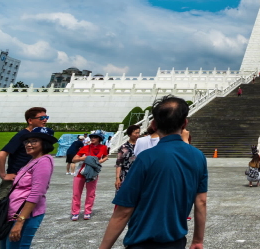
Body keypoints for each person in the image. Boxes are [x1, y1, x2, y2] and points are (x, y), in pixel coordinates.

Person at [99, 96, 207, 249]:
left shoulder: (146, 158)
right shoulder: (198, 157)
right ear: (185, 123)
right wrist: (197, 240)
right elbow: (201, 201)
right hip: (176, 242)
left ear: (154, 124)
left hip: (142, 243)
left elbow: (123, 211)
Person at [0, 107, 48, 249]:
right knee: (0, 218)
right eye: (41, 118)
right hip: (13, 184)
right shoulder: (22, 135)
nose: (45, 120)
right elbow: (0, 156)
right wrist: (4, 175)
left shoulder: (36, 143)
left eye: (46, 117)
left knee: (7, 222)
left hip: (23, 183)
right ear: (30, 120)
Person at [0, 127, 57, 249]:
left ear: (44, 143)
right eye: (27, 141)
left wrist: (20, 221)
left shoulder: (44, 161)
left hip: (26, 216)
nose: (28, 144)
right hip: (13, 214)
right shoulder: (32, 160)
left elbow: (37, 193)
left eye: (34, 141)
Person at [71, 130, 109, 221]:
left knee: (91, 193)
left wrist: (99, 162)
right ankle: (75, 212)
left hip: (93, 173)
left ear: (100, 139)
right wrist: (83, 158)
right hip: (81, 172)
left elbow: (106, 156)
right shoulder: (85, 147)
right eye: (91, 137)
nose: (92, 138)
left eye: (95, 137)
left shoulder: (103, 147)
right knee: (76, 193)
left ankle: (87, 211)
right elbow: (74, 159)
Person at [115, 125, 140, 192]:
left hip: (138, 174)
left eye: (138, 133)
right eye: (135, 133)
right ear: (129, 134)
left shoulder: (141, 145)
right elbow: (119, 163)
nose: (137, 135)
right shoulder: (124, 147)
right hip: (126, 174)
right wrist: (117, 178)